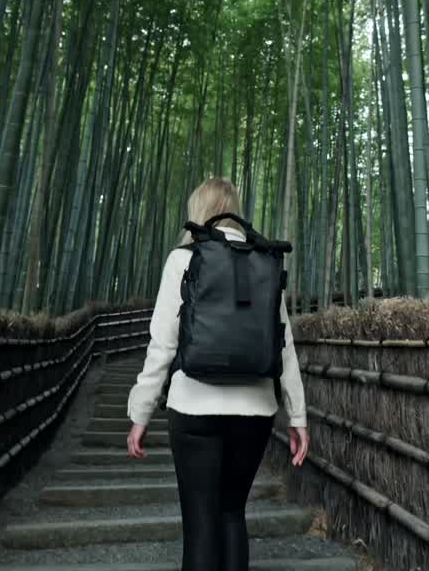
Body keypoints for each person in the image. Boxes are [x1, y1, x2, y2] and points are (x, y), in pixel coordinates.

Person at [126, 177, 310, 571]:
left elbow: (162, 344)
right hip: (256, 411)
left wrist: (140, 413)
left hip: (194, 407)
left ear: (198, 210)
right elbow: (284, 345)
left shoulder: (184, 258)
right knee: (232, 514)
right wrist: (298, 418)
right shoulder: (264, 259)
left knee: (200, 523)